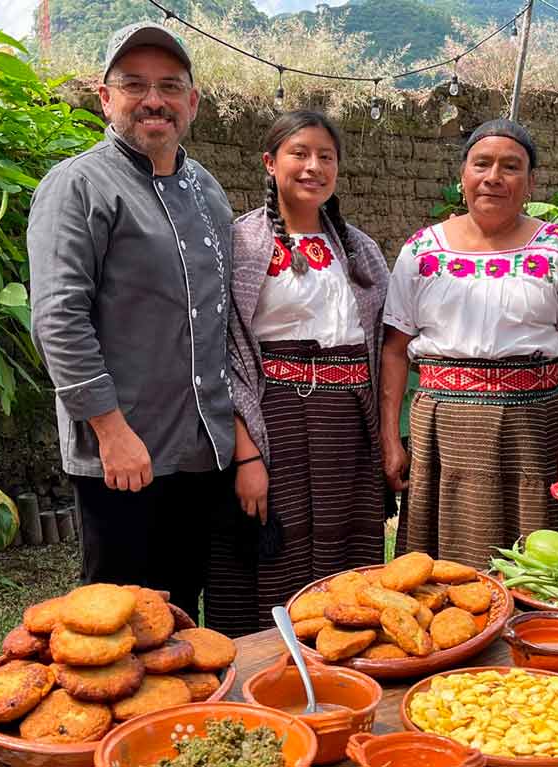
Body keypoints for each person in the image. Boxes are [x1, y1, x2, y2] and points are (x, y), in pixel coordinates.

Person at [28, 22, 235, 617]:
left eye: (170, 87)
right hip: (124, 453)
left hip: (199, 451)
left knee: (182, 614)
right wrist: (110, 431)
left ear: (192, 102)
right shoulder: (79, 185)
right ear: (105, 97)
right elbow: (59, 318)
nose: (154, 100)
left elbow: (217, 318)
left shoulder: (206, 190)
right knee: (117, 623)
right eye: (134, 85)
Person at [208, 110, 390, 636]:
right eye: (299, 154)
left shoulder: (360, 251)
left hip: (347, 424)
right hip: (272, 419)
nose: (314, 167)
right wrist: (246, 454)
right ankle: (264, 670)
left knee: (343, 547)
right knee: (271, 545)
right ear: (270, 163)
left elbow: (379, 345)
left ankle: (345, 654)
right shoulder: (238, 246)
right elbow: (223, 356)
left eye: (325, 157)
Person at [381, 119, 558, 568]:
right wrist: (391, 439)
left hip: (533, 428)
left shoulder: (556, 247)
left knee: (535, 558)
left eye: (511, 167)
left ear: (531, 182)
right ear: (463, 176)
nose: (494, 177)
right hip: (443, 426)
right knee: (442, 564)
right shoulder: (421, 251)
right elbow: (394, 349)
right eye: (482, 164)